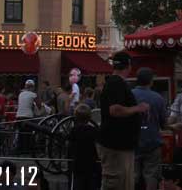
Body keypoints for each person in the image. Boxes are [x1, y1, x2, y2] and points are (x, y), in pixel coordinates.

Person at [98, 51, 147, 190]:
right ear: (128, 66)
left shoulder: (114, 83)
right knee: (115, 181)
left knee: (122, 181)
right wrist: (137, 108)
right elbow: (115, 110)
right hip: (116, 144)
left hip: (119, 144)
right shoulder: (116, 83)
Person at [133, 67, 167, 190]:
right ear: (151, 81)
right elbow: (164, 123)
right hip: (152, 142)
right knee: (151, 175)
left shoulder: (129, 96)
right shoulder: (158, 98)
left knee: (132, 175)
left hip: (133, 141)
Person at [68, 103, 99, 190]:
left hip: (78, 162)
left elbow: (70, 145)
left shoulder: (74, 130)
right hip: (91, 161)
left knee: (78, 183)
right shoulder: (93, 130)